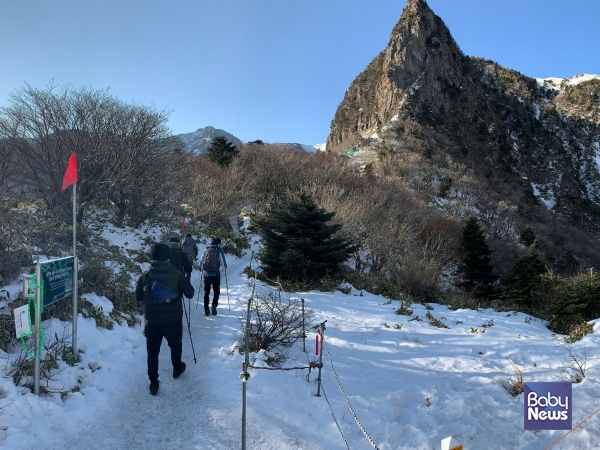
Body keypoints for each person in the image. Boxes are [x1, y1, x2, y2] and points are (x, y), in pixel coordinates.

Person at [136, 243, 194, 395]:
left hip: (152, 320)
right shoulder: (177, 274)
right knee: (175, 344)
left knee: (152, 351)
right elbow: (190, 294)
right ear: (168, 258)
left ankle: (154, 383)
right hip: (172, 319)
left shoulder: (145, 276)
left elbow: (138, 298)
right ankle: (177, 367)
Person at [200, 237, 227, 316]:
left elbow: (201, 263)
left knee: (206, 291)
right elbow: (224, 264)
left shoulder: (206, 251)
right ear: (218, 243)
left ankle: (206, 309)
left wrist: (204, 269)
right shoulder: (219, 251)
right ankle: (214, 306)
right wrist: (223, 267)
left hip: (207, 275)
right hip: (216, 275)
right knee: (216, 291)